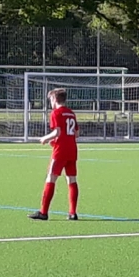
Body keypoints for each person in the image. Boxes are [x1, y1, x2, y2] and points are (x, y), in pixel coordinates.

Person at [29, 88, 79, 221]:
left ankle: (43, 212)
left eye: (50, 99)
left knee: (50, 178)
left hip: (60, 151)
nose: (50, 102)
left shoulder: (56, 113)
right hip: (72, 150)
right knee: (71, 179)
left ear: (54, 99)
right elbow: (76, 134)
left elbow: (57, 132)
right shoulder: (71, 113)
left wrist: (45, 138)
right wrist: (58, 140)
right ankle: (73, 213)